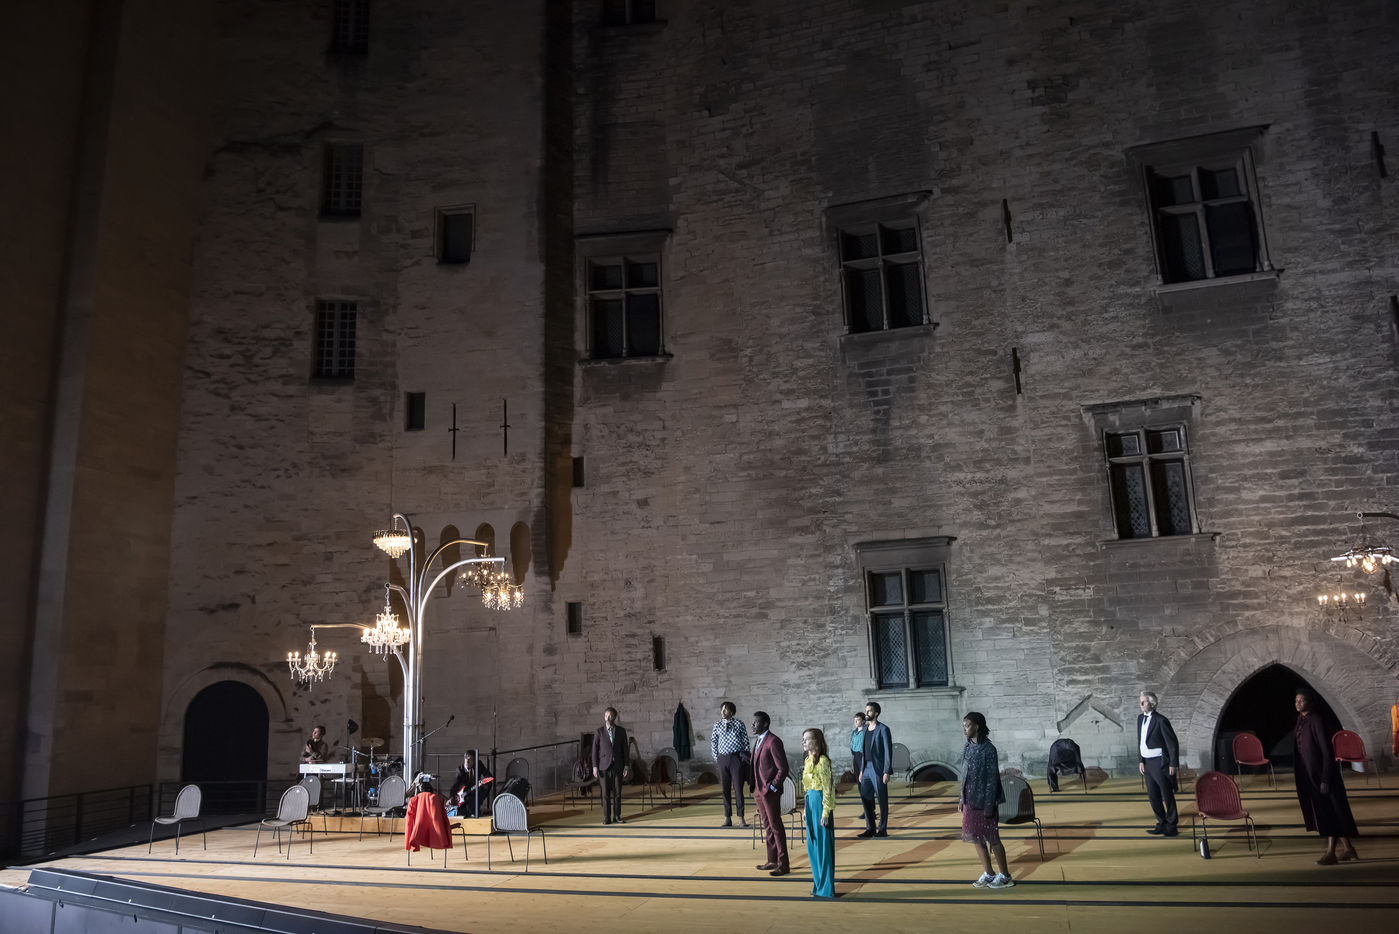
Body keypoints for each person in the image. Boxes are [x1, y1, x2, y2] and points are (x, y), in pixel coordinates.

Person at [1294, 688, 1359, 864]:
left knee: (1330, 812)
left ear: (1310, 702)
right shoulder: (1301, 720)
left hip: (1323, 775)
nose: (1298, 703)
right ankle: (1348, 849)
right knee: (1331, 812)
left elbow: (1326, 751)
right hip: (1310, 774)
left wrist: (1325, 778)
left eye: (1301, 700)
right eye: (1296, 701)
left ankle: (1330, 852)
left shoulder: (1316, 720)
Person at [959, 712, 1012, 889]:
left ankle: (1005, 876)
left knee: (992, 838)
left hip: (985, 802)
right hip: (970, 800)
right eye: (964, 726)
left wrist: (989, 804)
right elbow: (964, 775)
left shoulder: (989, 749)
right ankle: (989, 873)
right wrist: (962, 798)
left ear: (977, 726)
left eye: (967, 725)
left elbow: (992, 779)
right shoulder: (968, 747)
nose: (965, 729)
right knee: (976, 838)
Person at [750, 710, 789, 876]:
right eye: (753, 722)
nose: (752, 725)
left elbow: (783, 768)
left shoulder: (773, 741)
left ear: (765, 724)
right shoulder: (758, 740)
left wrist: (772, 787)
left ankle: (783, 864)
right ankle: (772, 860)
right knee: (767, 826)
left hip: (769, 792)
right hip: (758, 791)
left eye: (756, 722)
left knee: (776, 827)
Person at [1137, 692, 1179, 836]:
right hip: (1147, 762)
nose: (1141, 705)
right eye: (1140, 702)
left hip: (1159, 762)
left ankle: (1172, 825)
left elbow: (1172, 743)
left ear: (1152, 704)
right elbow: (1140, 741)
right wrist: (1141, 760)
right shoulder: (1140, 718)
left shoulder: (1161, 720)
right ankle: (1161, 822)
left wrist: (1173, 763)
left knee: (1166, 795)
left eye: (1143, 702)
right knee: (1153, 795)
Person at [800, 728, 836, 898]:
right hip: (810, 802)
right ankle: (818, 885)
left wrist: (826, 812)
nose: (804, 742)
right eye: (803, 739)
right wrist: (805, 809)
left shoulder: (823, 761)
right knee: (813, 846)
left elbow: (828, 789)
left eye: (807, 739)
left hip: (821, 803)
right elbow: (807, 787)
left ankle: (826, 889)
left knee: (823, 847)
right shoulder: (808, 760)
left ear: (816, 741)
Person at [710, 701, 750, 828]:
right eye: (722, 709)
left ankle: (741, 818)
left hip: (736, 758)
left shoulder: (739, 724)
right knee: (725, 789)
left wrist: (744, 758)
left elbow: (746, 741)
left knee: (738, 789)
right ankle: (727, 818)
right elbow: (713, 741)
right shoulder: (717, 725)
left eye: (725, 709)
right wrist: (717, 758)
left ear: (732, 711)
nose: (722, 711)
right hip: (723, 759)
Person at [857, 701, 893, 837]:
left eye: (869, 711)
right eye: (866, 710)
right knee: (865, 798)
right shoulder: (865, 729)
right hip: (866, 768)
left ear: (876, 713)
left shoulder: (883, 729)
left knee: (882, 800)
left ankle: (882, 830)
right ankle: (870, 828)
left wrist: (886, 771)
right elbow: (863, 751)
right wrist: (861, 770)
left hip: (878, 769)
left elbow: (888, 751)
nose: (866, 713)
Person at [592, 706, 630, 825]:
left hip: (618, 766)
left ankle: (617, 816)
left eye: (610, 716)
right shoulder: (599, 732)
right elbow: (594, 751)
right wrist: (594, 767)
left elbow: (625, 749)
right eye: (606, 715)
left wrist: (626, 765)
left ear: (615, 717)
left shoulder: (621, 731)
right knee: (605, 794)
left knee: (618, 793)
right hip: (603, 767)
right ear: (604, 717)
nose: (608, 718)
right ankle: (607, 817)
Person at [447, 751, 493, 817]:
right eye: (466, 759)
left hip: (475, 789)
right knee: (467, 807)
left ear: (475, 761)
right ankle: (471, 809)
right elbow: (455, 786)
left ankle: (475, 807)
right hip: (464, 793)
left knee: (488, 785)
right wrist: (451, 797)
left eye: (470, 759)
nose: (467, 761)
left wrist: (482, 781)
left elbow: (489, 776)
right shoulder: (460, 770)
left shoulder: (479, 764)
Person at [849, 711, 866, 780]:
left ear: (863, 721)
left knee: (863, 777)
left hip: (863, 756)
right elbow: (852, 749)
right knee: (858, 778)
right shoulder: (854, 733)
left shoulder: (866, 731)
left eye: (858, 720)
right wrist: (852, 764)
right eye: (855, 720)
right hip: (855, 756)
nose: (855, 722)